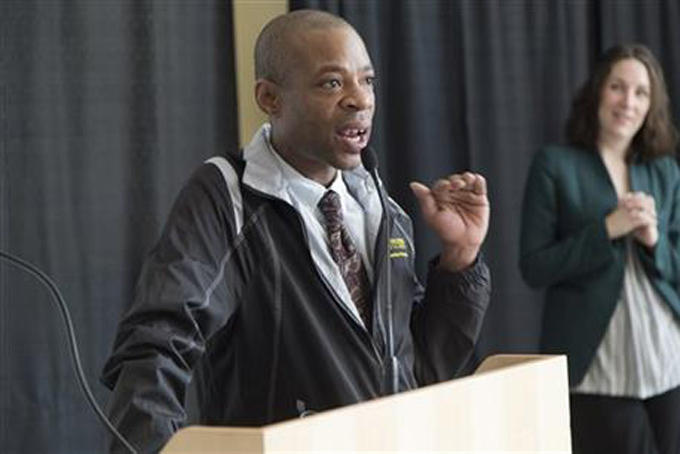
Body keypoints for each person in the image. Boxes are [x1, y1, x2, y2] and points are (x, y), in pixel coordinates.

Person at [102, 10, 491, 454]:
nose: (359, 99)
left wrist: (461, 260)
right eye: (332, 82)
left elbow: (417, 369)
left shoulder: (383, 208)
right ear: (270, 98)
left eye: (367, 81)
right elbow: (157, 342)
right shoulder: (227, 197)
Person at [520, 43, 680, 454]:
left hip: (669, 356)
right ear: (597, 93)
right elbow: (534, 267)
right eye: (617, 87)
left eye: (641, 92)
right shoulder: (554, 164)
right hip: (596, 364)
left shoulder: (664, 170)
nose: (628, 101)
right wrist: (606, 229)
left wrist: (653, 241)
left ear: (651, 105)